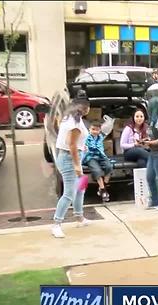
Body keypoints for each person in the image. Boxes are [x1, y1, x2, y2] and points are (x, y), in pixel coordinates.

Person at [51, 90, 91, 238]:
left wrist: (82, 146)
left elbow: (75, 142)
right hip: (70, 159)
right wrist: (77, 166)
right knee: (69, 193)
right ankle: (56, 224)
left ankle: (79, 217)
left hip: (73, 155)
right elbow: (71, 145)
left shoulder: (71, 118)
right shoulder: (74, 123)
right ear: (84, 108)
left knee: (81, 188)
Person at [83, 119, 114, 202]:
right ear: (89, 129)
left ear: (100, 130)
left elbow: (109, 127)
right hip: (90, 157)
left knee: (109, 167)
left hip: (101, 156)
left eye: (97, 130)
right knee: (97, 170)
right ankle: (104, 191)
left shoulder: (100, 137)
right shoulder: (86, 137)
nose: (95, 132)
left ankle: (102, 187)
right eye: (93, 129)